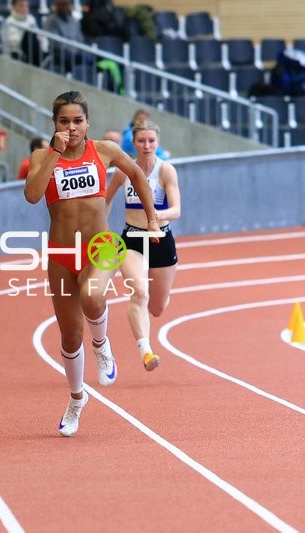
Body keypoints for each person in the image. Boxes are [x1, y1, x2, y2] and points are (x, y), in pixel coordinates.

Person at [24, 91, 159, 437]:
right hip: (61, 252)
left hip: (101, 245)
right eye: (64, 121)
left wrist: (153, 220)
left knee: (93, 297)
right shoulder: (43, 156)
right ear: (55, 124)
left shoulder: (105, 151)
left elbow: (138, 176)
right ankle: (76, 398)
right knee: (70, 337)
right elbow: (32, 195)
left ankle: (101, 347)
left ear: (88, 123)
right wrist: (55, 152)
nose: (71, 128)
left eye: (78, 121)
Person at [107, 119, 181, 372]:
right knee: (139, 292)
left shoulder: (166, 170)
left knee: (157, 308)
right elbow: (104, 203)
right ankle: (146, 351)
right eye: (141, 141)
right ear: (134, 143)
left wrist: (156, 217)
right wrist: (100, 231)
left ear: (157, 142)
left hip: (161, 239)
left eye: (151, 141)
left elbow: (176, 209)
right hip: (132, 240)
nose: (147, 146)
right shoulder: (123, 171)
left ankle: (158, 294)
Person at [2, 0, 47, 65]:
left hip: (33, 50)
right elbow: (11, 41)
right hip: (18, 52)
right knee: (29, 35)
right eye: (21, 6)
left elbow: (39, 34)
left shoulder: (31, 19)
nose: (25, 8)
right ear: (14, 7)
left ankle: (42, 59)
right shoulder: (9, 21)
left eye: (26, 6)